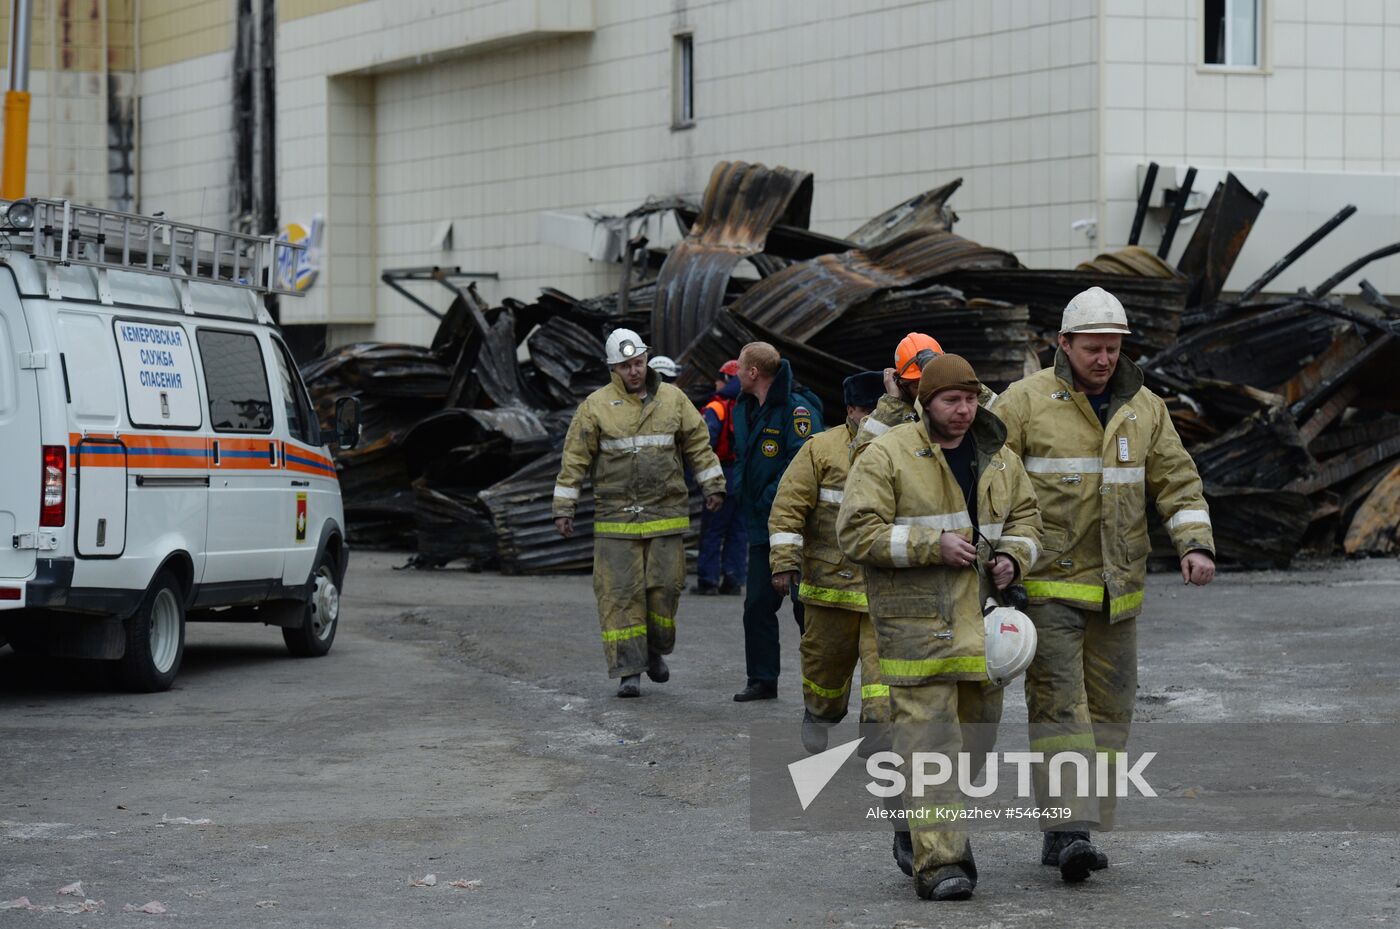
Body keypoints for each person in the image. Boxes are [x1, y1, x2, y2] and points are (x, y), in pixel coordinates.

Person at [994, 286, 1216, 882]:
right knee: (1062, 711)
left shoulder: (1145, 407)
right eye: (1092, 348)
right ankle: (1070, 831)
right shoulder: (1023, 403)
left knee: (1112, 718)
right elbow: (989, 482)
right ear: (1062, 344)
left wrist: (1193, 543)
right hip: (1047, 589)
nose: (1104, 359)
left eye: (1113, 349)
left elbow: (1176, 480)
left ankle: (1070, 827)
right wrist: (999, 561)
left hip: (1119, 593)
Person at [837, 353, 1041, 901]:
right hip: (917, 628)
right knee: (931, 747)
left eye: (971, 399)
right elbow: (856, 532)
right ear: (925, 401)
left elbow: (1026, 519)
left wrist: (1013, 559)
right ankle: (942, 863)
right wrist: (932, 545)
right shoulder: (888, 455)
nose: (964, 410)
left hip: (983, 627)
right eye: (952, 400)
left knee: (973, 746)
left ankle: (914, 818)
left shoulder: (999, 456)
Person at [552, 328, 727, 698]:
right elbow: (575, 460)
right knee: (620, 596)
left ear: (646, 360)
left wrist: (713, 486)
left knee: (665, 591)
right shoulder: (595, 407)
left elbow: (698, 445)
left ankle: (654, 650)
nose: (634, 371)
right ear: (613, 368)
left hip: (665, 516)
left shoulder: (674, 400)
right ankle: (628, 671)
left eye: (638, 362)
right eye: (626, 365)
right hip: (616, 521)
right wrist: (564, 508)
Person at [768, 371, 888, 752]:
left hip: (883, 590)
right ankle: (819, 713)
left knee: (884, 673)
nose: (872, 417)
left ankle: (877, 729)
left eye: (879, 408)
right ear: (850, 409)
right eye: (865, 409)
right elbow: (788, 508)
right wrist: (784, 561)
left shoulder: (907, 448)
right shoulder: (820, 449)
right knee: (825, 667)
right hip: (829, 586)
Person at [731, 341, 823, 702]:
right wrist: (742, 490)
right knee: (756, 605)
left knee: (806, 610)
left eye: (739, 367)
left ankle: (819, 684)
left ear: (754, 372)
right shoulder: (745, 407)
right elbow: (743, 457)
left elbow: (803, 466)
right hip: (759, 528)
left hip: (795, 528)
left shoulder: (797, 410)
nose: (736, 374)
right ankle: (762, 679)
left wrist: (769, 499)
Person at [852, 332, 999, 459]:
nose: (928, 390)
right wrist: (892, 403)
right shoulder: (891, 415)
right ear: (901, 385)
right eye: (918, 385)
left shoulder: (961, 406)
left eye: (935, 381)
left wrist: (959, 377)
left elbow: (1002, 417)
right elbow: (862, 458)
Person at [694, 360, 747, 595]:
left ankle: (708, 580)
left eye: (718, 377)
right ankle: (733, 579)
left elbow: (705, 445)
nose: (715, 382)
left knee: (713, 528)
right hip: (744, 474)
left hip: (722, 472)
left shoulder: (717, 408)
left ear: (726, 379)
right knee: (738, 529)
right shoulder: (749, 405)